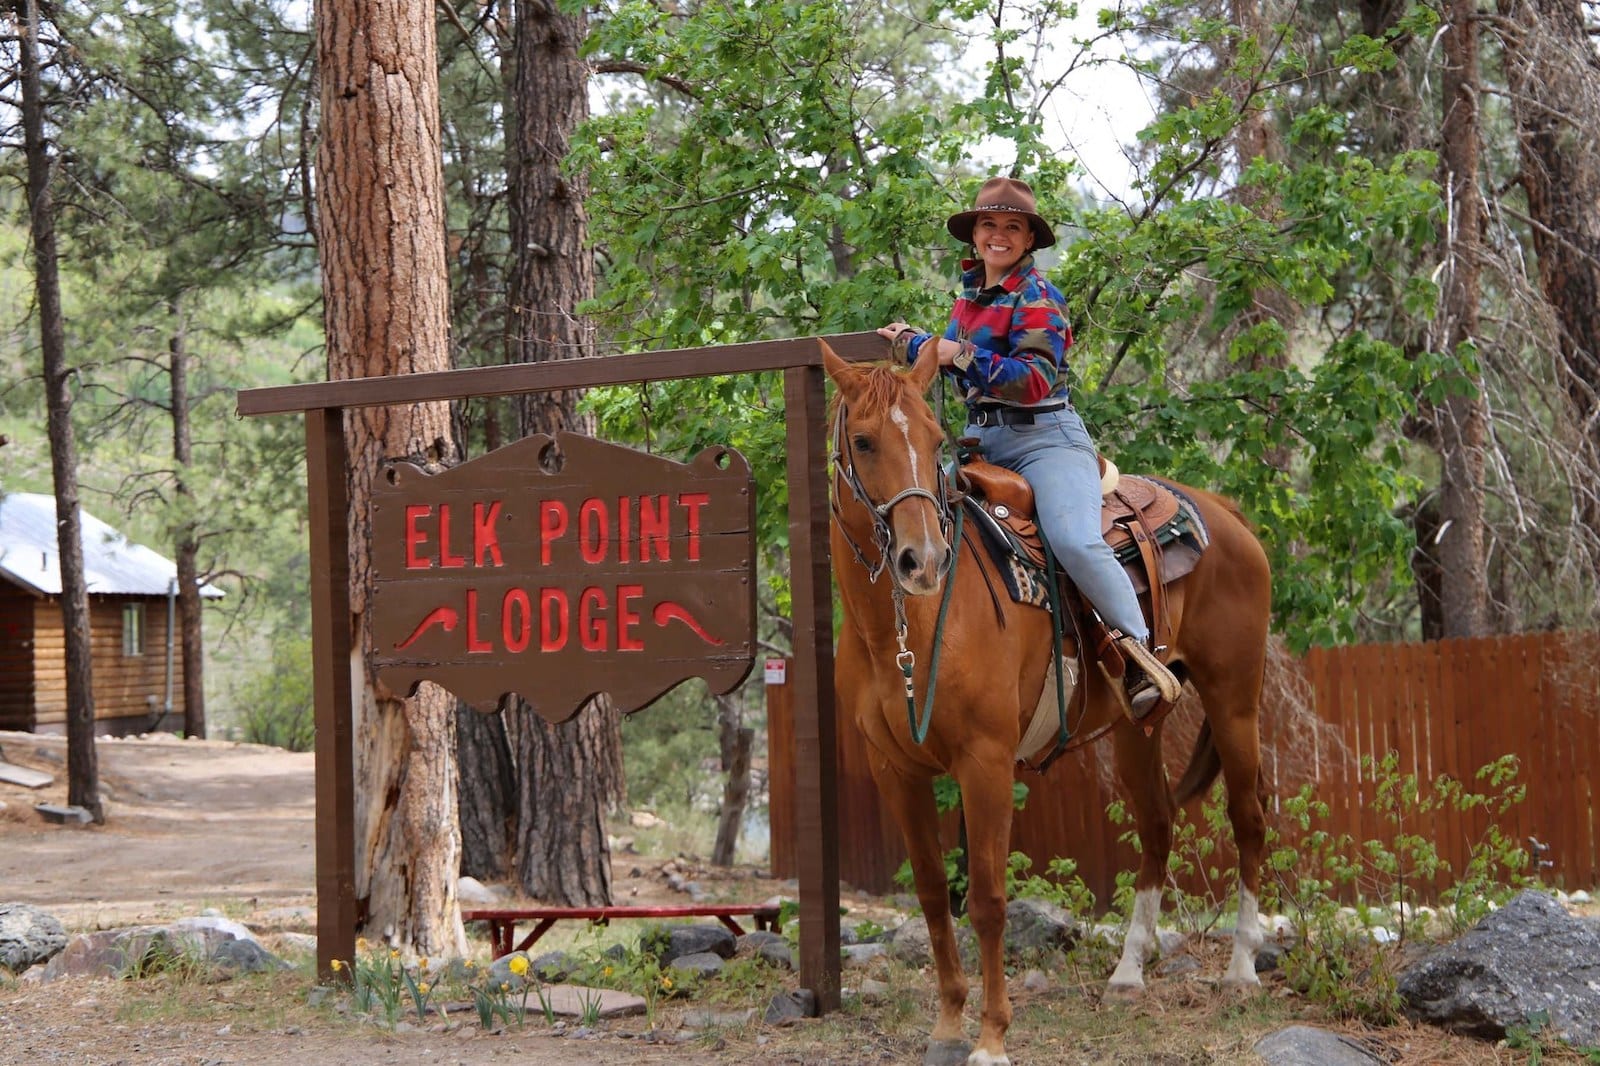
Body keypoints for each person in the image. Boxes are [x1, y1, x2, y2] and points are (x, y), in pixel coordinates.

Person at [876, 175, 1181, 719]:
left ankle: (1139, 652)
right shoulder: (968, 299)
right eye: (989, 225)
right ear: (974, 236)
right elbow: (947, 354)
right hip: (981, 440)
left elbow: (1033, 379)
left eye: (1012, 228)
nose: (999, 236)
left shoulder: (1040, 296)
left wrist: (953, 353)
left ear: (1028, 240)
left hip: (1044, 437)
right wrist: (917, 343)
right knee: (913, 510)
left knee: (1073, 537)